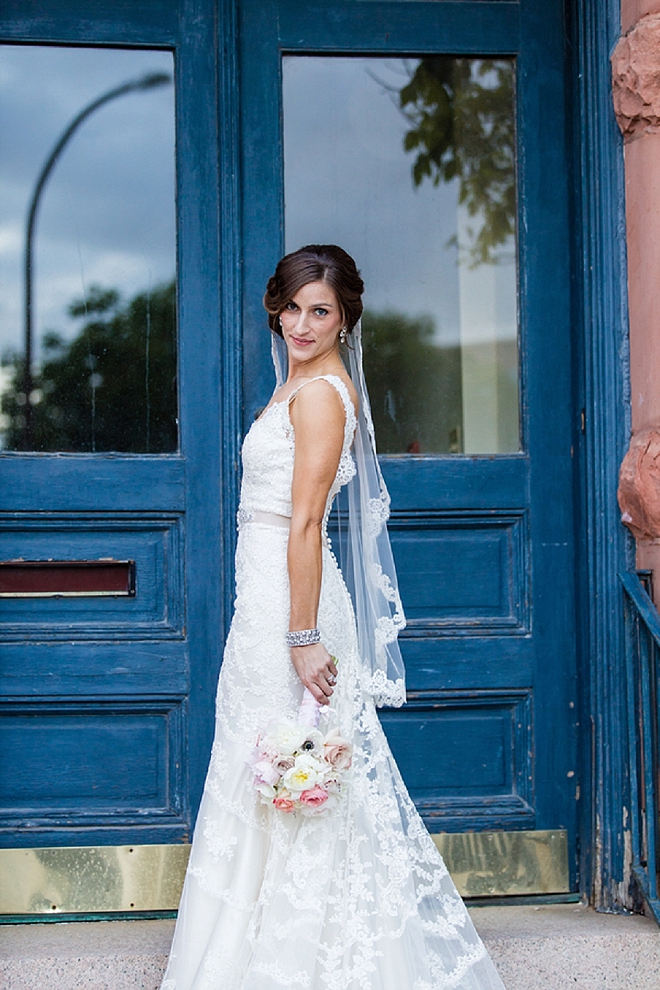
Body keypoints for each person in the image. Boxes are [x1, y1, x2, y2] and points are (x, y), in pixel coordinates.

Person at [160, 245, 505, 990]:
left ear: (346, 316)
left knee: (296, 773)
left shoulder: (319, 395)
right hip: (269, 604)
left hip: (294, 614)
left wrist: (302, 636)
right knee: (264, 772)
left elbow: (308, 519)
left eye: (321, 310)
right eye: (292, 307)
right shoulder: (297, 386)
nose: (302, 323)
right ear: (274, 308)